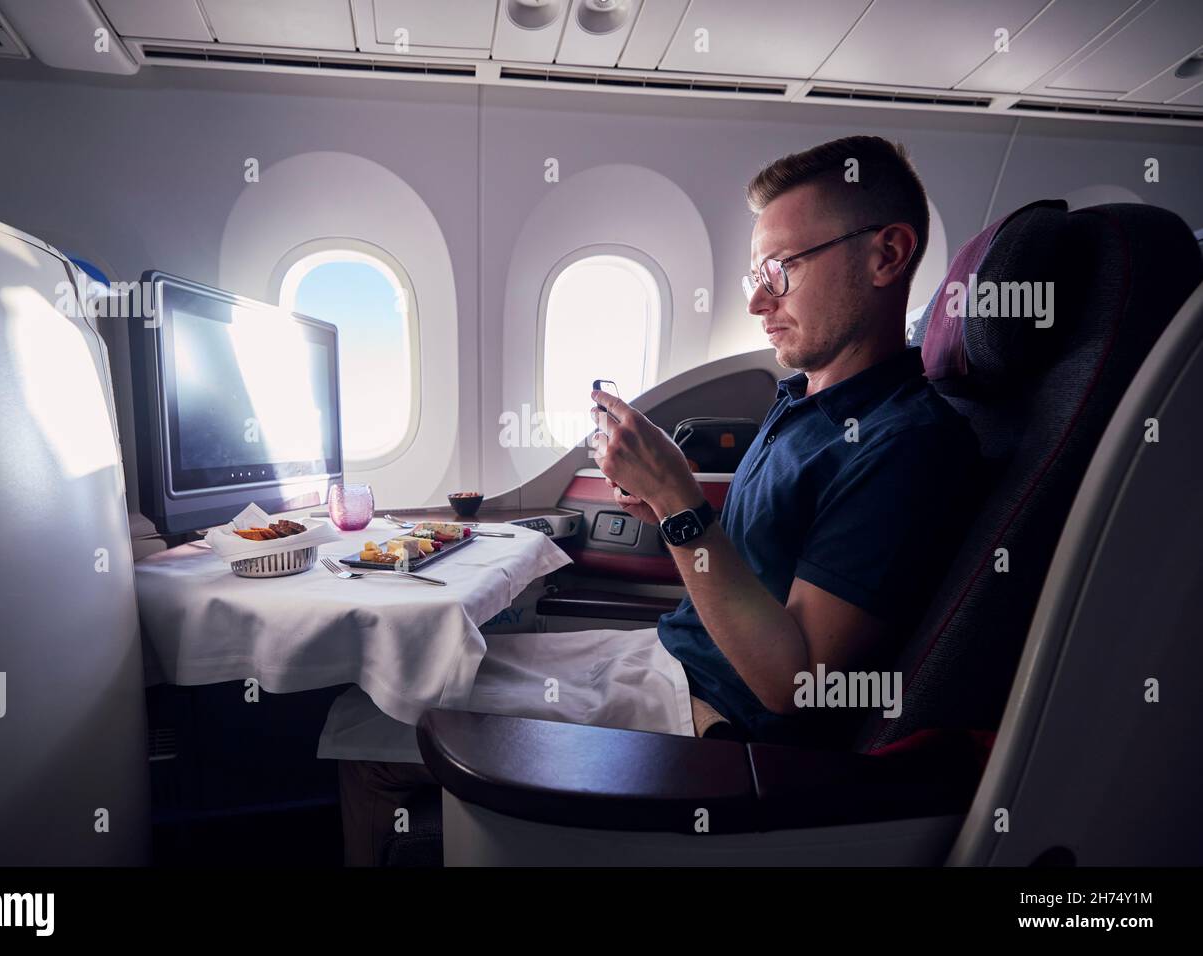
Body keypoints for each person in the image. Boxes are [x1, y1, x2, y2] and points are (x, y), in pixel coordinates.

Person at [339, 135, 982, 864]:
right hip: (673, 658)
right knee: (384, 689)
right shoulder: (801, 403)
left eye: (781, 269)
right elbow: (752, 572)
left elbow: (798, 686)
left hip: (712, 720)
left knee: (365, 733)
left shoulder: (907, 446)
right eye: (753, 271)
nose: (754, 298)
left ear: (886, 255)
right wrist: (666, 510)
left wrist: (681, 505)